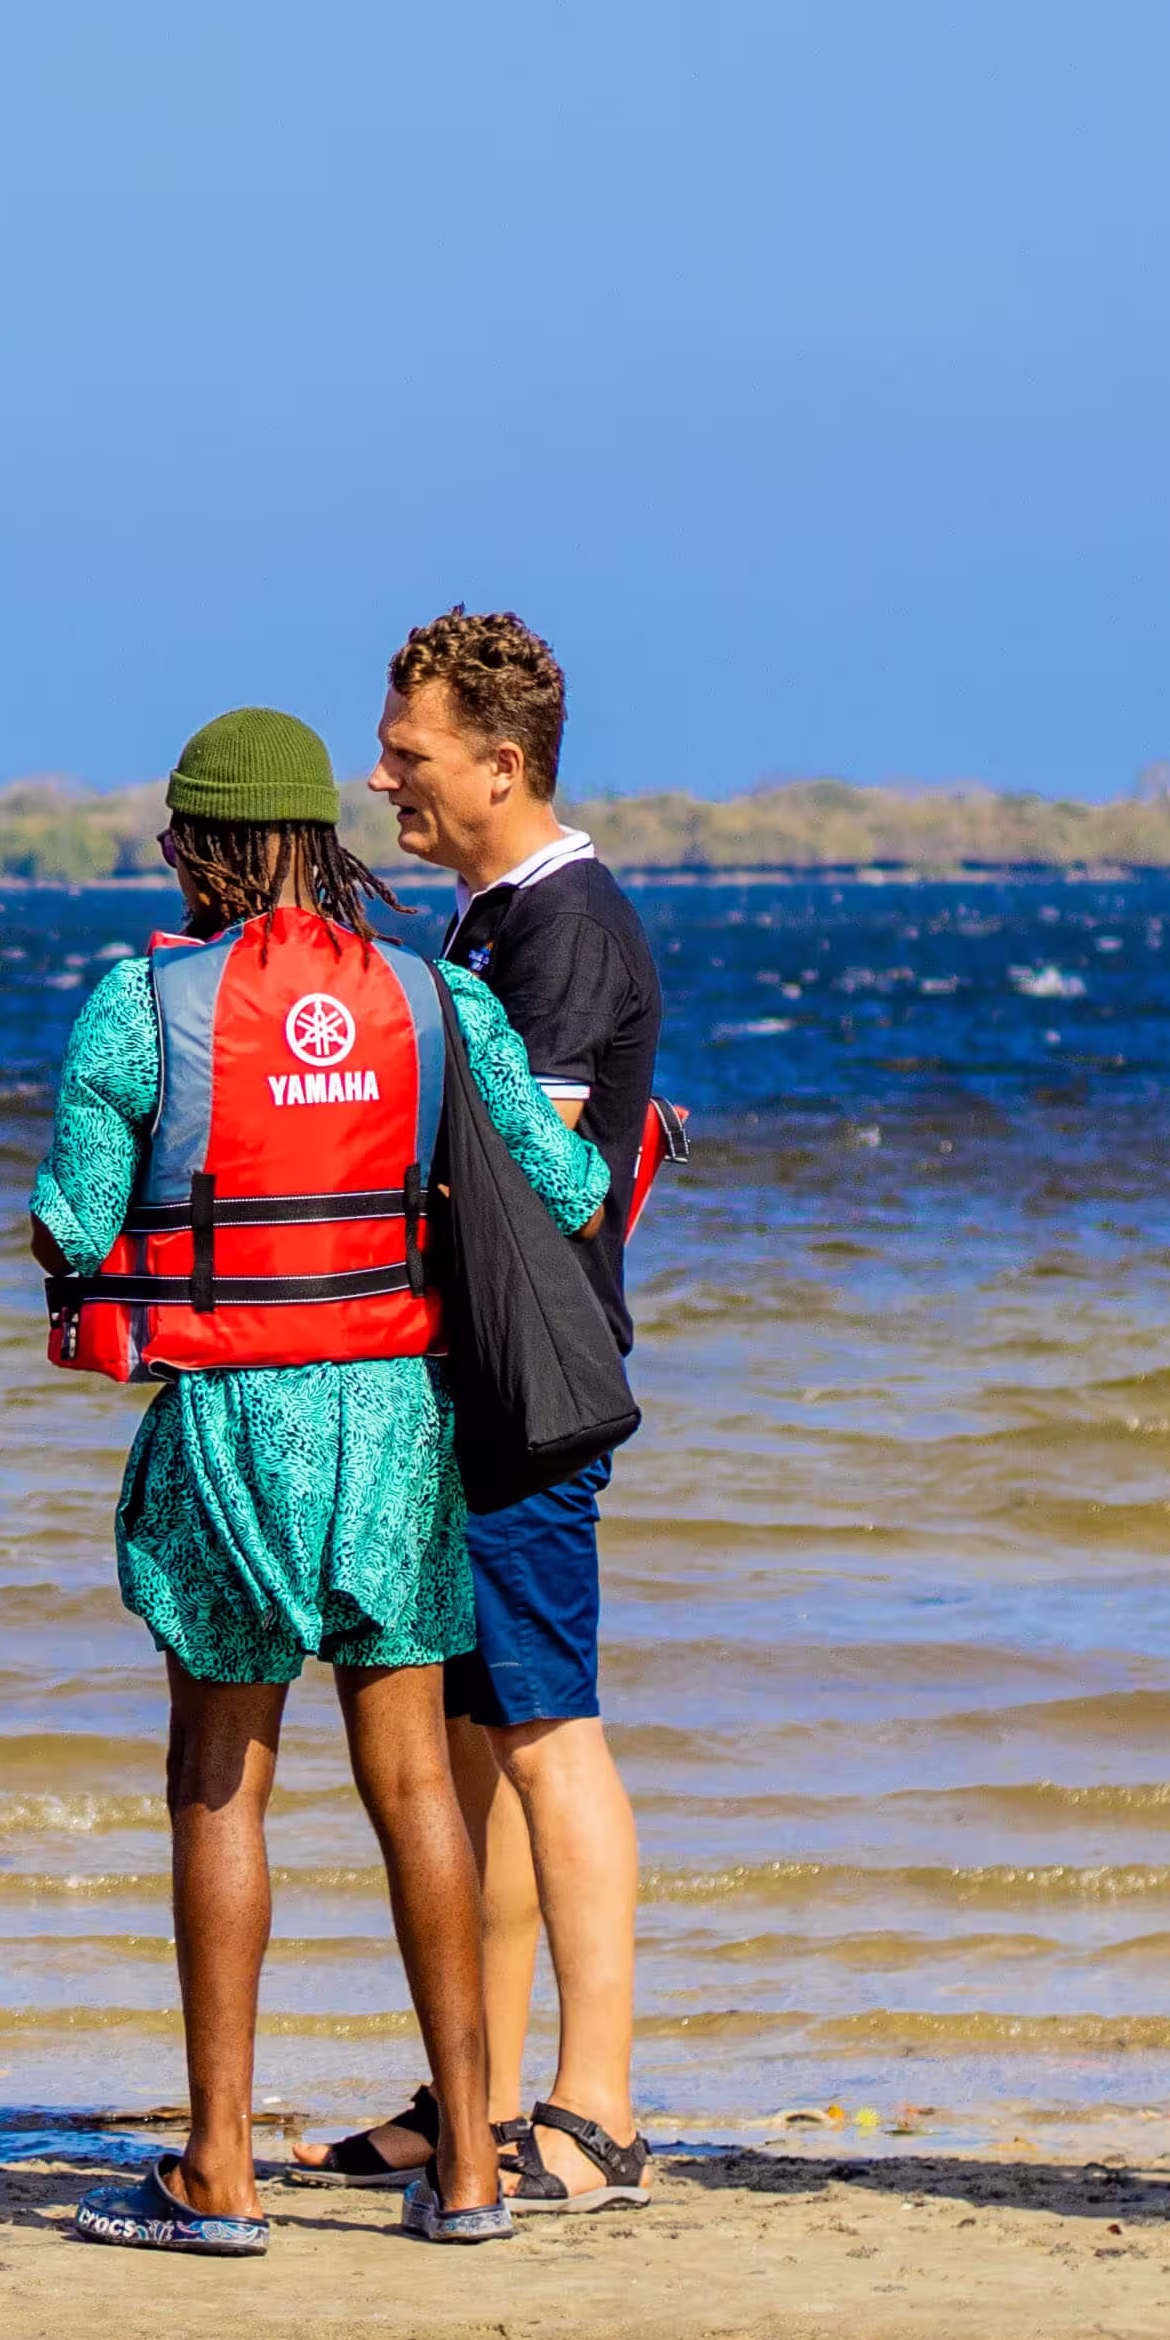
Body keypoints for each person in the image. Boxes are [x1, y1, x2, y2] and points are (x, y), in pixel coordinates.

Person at [31, 710, 608, 2253]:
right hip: (391, 1421)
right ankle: (470, 2169)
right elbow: (568, 1184)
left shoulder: (139, 1007)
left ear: (203, 847)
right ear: (317, 840)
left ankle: (219, 2171)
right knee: (415, 1785)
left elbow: (75, 1223)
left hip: (230, 1419)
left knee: (220, 1780)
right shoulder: (436, 997)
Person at [332, 606, 664, 2212]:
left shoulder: (565, 926)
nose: (383, 779)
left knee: (550, 1733)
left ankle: (595, 2108)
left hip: (534, 1386)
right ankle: (469, 2087)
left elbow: (520, 1167)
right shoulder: (484, 922)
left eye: (409, 754)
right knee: (484, 1745)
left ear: (501, 765)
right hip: (459, 1382)